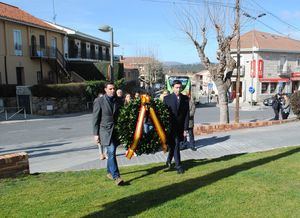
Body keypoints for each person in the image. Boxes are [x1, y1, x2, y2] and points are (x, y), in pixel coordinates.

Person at [92, 82, 124, 185]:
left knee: (111, 153)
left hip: (115, 131)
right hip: (105, 130)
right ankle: (116, 176)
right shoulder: (99, 101)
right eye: (110, 89)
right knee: (111, 150)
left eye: (114, 88)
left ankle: (109, 172)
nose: (113, 90)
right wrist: (95, 134)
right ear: (105, 89)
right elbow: (95, 118)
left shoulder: (118, 101)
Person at [163, 80, 189, 174]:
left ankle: (169, 160)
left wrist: (185, 129)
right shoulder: (167, 98)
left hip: (180, 127)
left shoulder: (185, 98)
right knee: (175, 144)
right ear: (173, 88)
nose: (178, 89)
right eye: (176, 87)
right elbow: (164, 114)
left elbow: (187, 114)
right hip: (170, 127)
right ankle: (178, 166)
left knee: (175, 145)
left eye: (179, 87)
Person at [93, 93, 107, 160]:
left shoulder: (106, 104)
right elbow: (95, 118)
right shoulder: (97, 102)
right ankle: (101, 154)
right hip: (100, 125)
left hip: (106, 126)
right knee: (100, 141)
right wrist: (95, 133)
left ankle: (106, 153)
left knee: (107, 141)